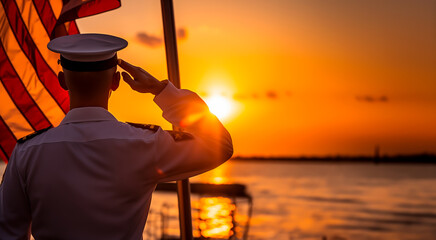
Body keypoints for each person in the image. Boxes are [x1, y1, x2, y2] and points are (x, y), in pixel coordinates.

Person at [0, 33, 233, 240]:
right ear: (116, 82)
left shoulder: (26, 152)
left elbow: (8, 232)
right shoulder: (146, 144)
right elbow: (219, 144)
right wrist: (161, 90)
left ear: (62, 81)